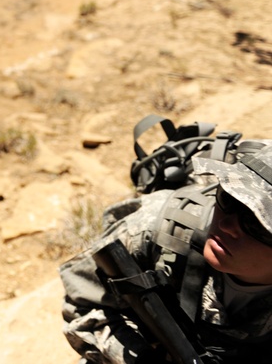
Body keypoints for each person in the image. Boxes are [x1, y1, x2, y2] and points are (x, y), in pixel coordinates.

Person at [59, 143, 272, 363]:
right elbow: (82, 304)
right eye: (228, 199)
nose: (227, 224)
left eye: (256, 224)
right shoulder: (158, 228)